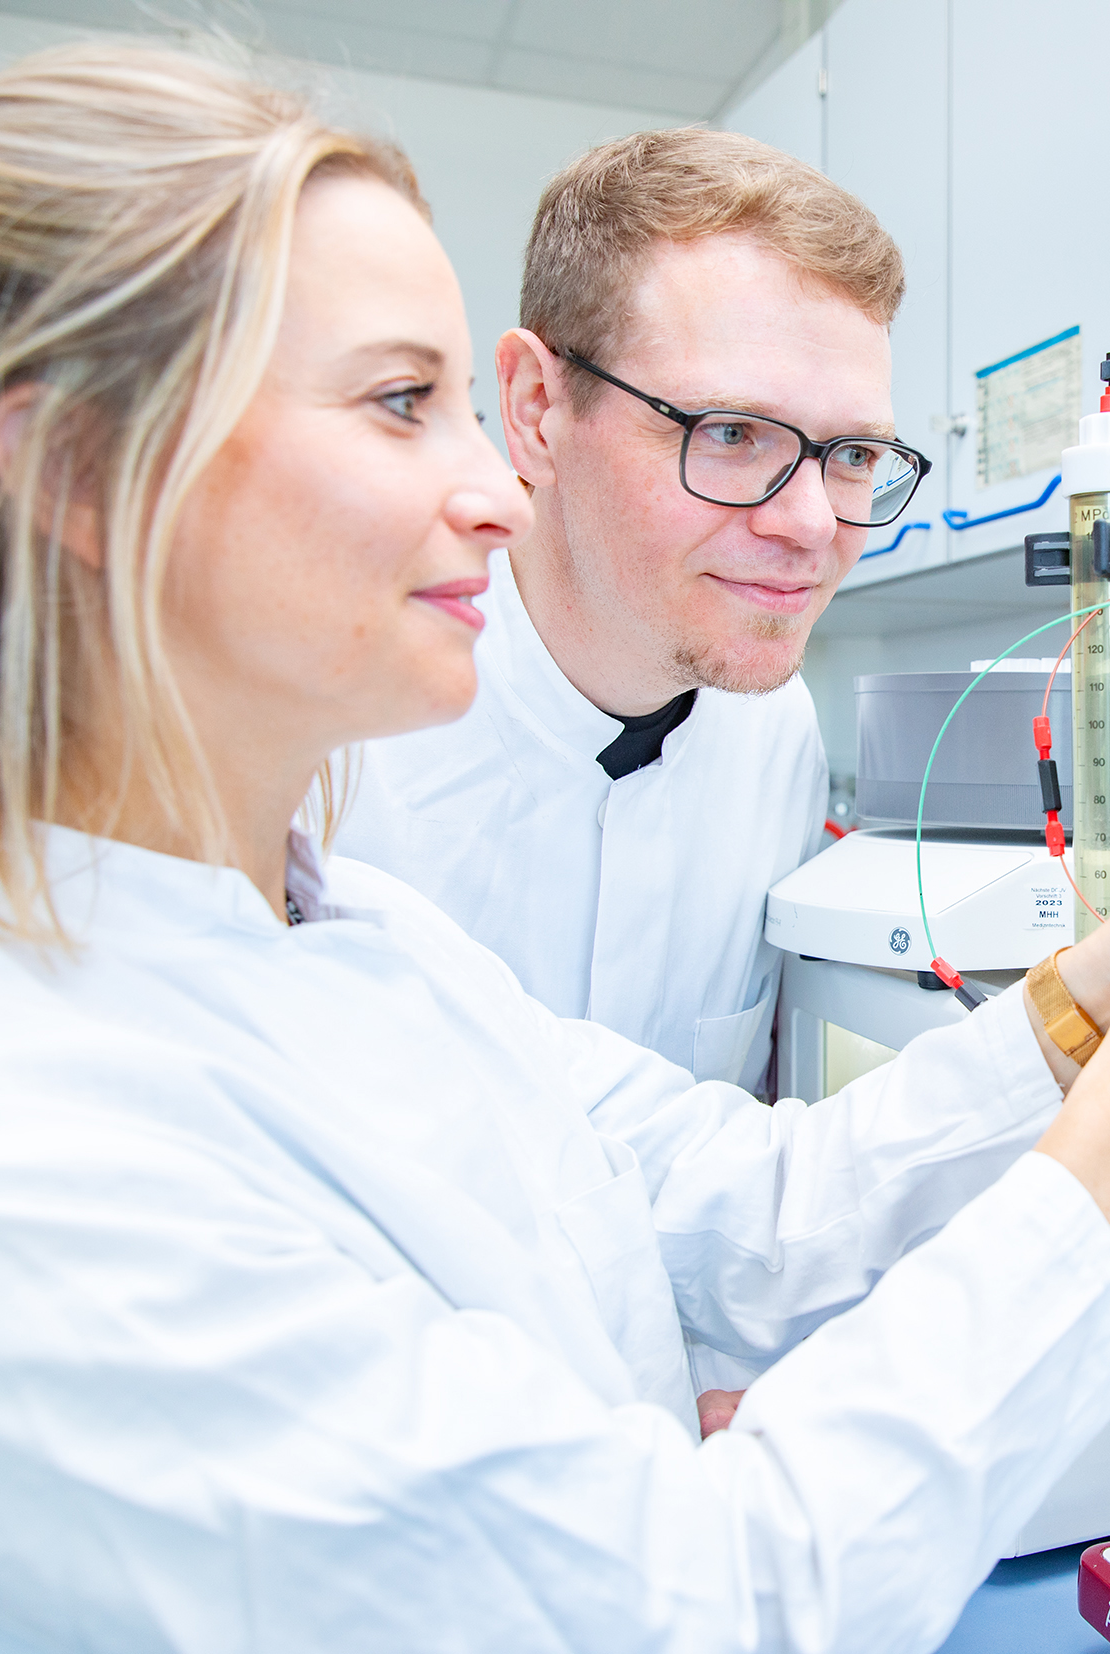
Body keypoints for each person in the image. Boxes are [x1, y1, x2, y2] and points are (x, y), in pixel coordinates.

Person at [0, 45, 1110, 1654]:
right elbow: (690, 1604)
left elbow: (726, 1203)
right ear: (78, 464)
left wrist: (1109, 984)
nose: (494, 493)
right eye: (392, 403)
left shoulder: (338, 936)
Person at [332, 128, 899, 1094]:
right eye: (729, 433)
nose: (811, 524)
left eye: (852, 455)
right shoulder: (336, 743)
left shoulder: (777, 733)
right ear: (536, 409)